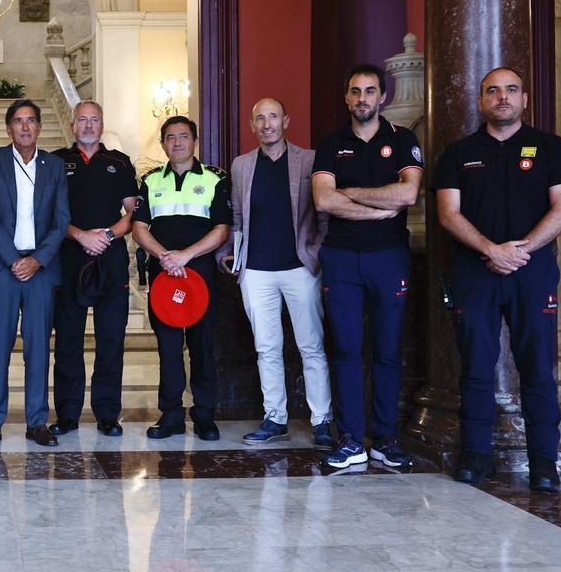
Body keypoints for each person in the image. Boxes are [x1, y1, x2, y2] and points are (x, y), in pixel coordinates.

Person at [435, 67, 561, 492]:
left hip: (532, 273)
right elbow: (448, 214)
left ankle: (544, 463)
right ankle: (476, 457)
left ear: (524, 99)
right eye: (493, 91)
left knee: (538, 369)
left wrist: (519, 251)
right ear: (481, 100)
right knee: (476, 368)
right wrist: (491, 249)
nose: (503, 97)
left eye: (511, 90)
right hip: (474, 273)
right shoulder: (458, 153)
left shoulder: (551, 148)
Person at [311, 63, 422, 469]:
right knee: (345, 349)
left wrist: (350, 193)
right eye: (355, 91)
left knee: (388, 350)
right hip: (341, 257)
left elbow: (408, 194)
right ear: (347, 97)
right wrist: (378, 208)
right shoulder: (331, 143)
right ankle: (351, 439)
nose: (362, 98)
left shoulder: (403, 138)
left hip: (389, 258)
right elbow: (323, 200)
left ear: (382, 96)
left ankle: (386, 439)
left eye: (370, 91)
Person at [218, 98, 334, 449]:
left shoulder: (309, 160)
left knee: (311, 346)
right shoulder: (241, 165)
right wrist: (232, 254)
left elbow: (324, 214)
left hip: (300, 267)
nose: (266, 124)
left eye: (272, 116)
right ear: (252, 125)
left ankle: (322, 420)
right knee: (266, 348)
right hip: (256, 270)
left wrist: (316, 252)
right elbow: (237, 217)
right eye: (259, 118)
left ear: (286, 120)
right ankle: (275, 418)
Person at [0, 99, 70, 449]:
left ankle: (36, 422)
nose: (25, 127)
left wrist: (37, 260)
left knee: (38, 347)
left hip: (40, 269)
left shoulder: (54, 165)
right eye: (18, 121)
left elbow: (61, 220)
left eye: (31, 120)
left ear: (40, 127)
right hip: (2, 267)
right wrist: (14, 259)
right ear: (8, 128)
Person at [132, 115, 231, 441]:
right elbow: (139, 228)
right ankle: (171, 414)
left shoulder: (215, 179)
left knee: (203, 346)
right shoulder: (150, 181)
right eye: (170, 137)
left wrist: (185, 256)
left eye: (183, 136)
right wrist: (165, 256)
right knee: (169, 348)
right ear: (163, 144)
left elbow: (222, 229)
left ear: (195, 141)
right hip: (163, 274)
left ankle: (204, 415)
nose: (177, 142)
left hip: (199, 274)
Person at [49, 101, 137, 437]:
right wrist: (80, 235)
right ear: (72, 125)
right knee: (67, 341)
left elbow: (133, 213)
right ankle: (67, 414)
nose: (88, 125)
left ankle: (107, 414)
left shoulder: (120, 162)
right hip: (68, 259)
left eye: (94, 120)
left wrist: (107, 235)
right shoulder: (56, 161)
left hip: (110, 260)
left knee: (111, 339)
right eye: (82, 119)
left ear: (102, 125)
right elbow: (48, 213)